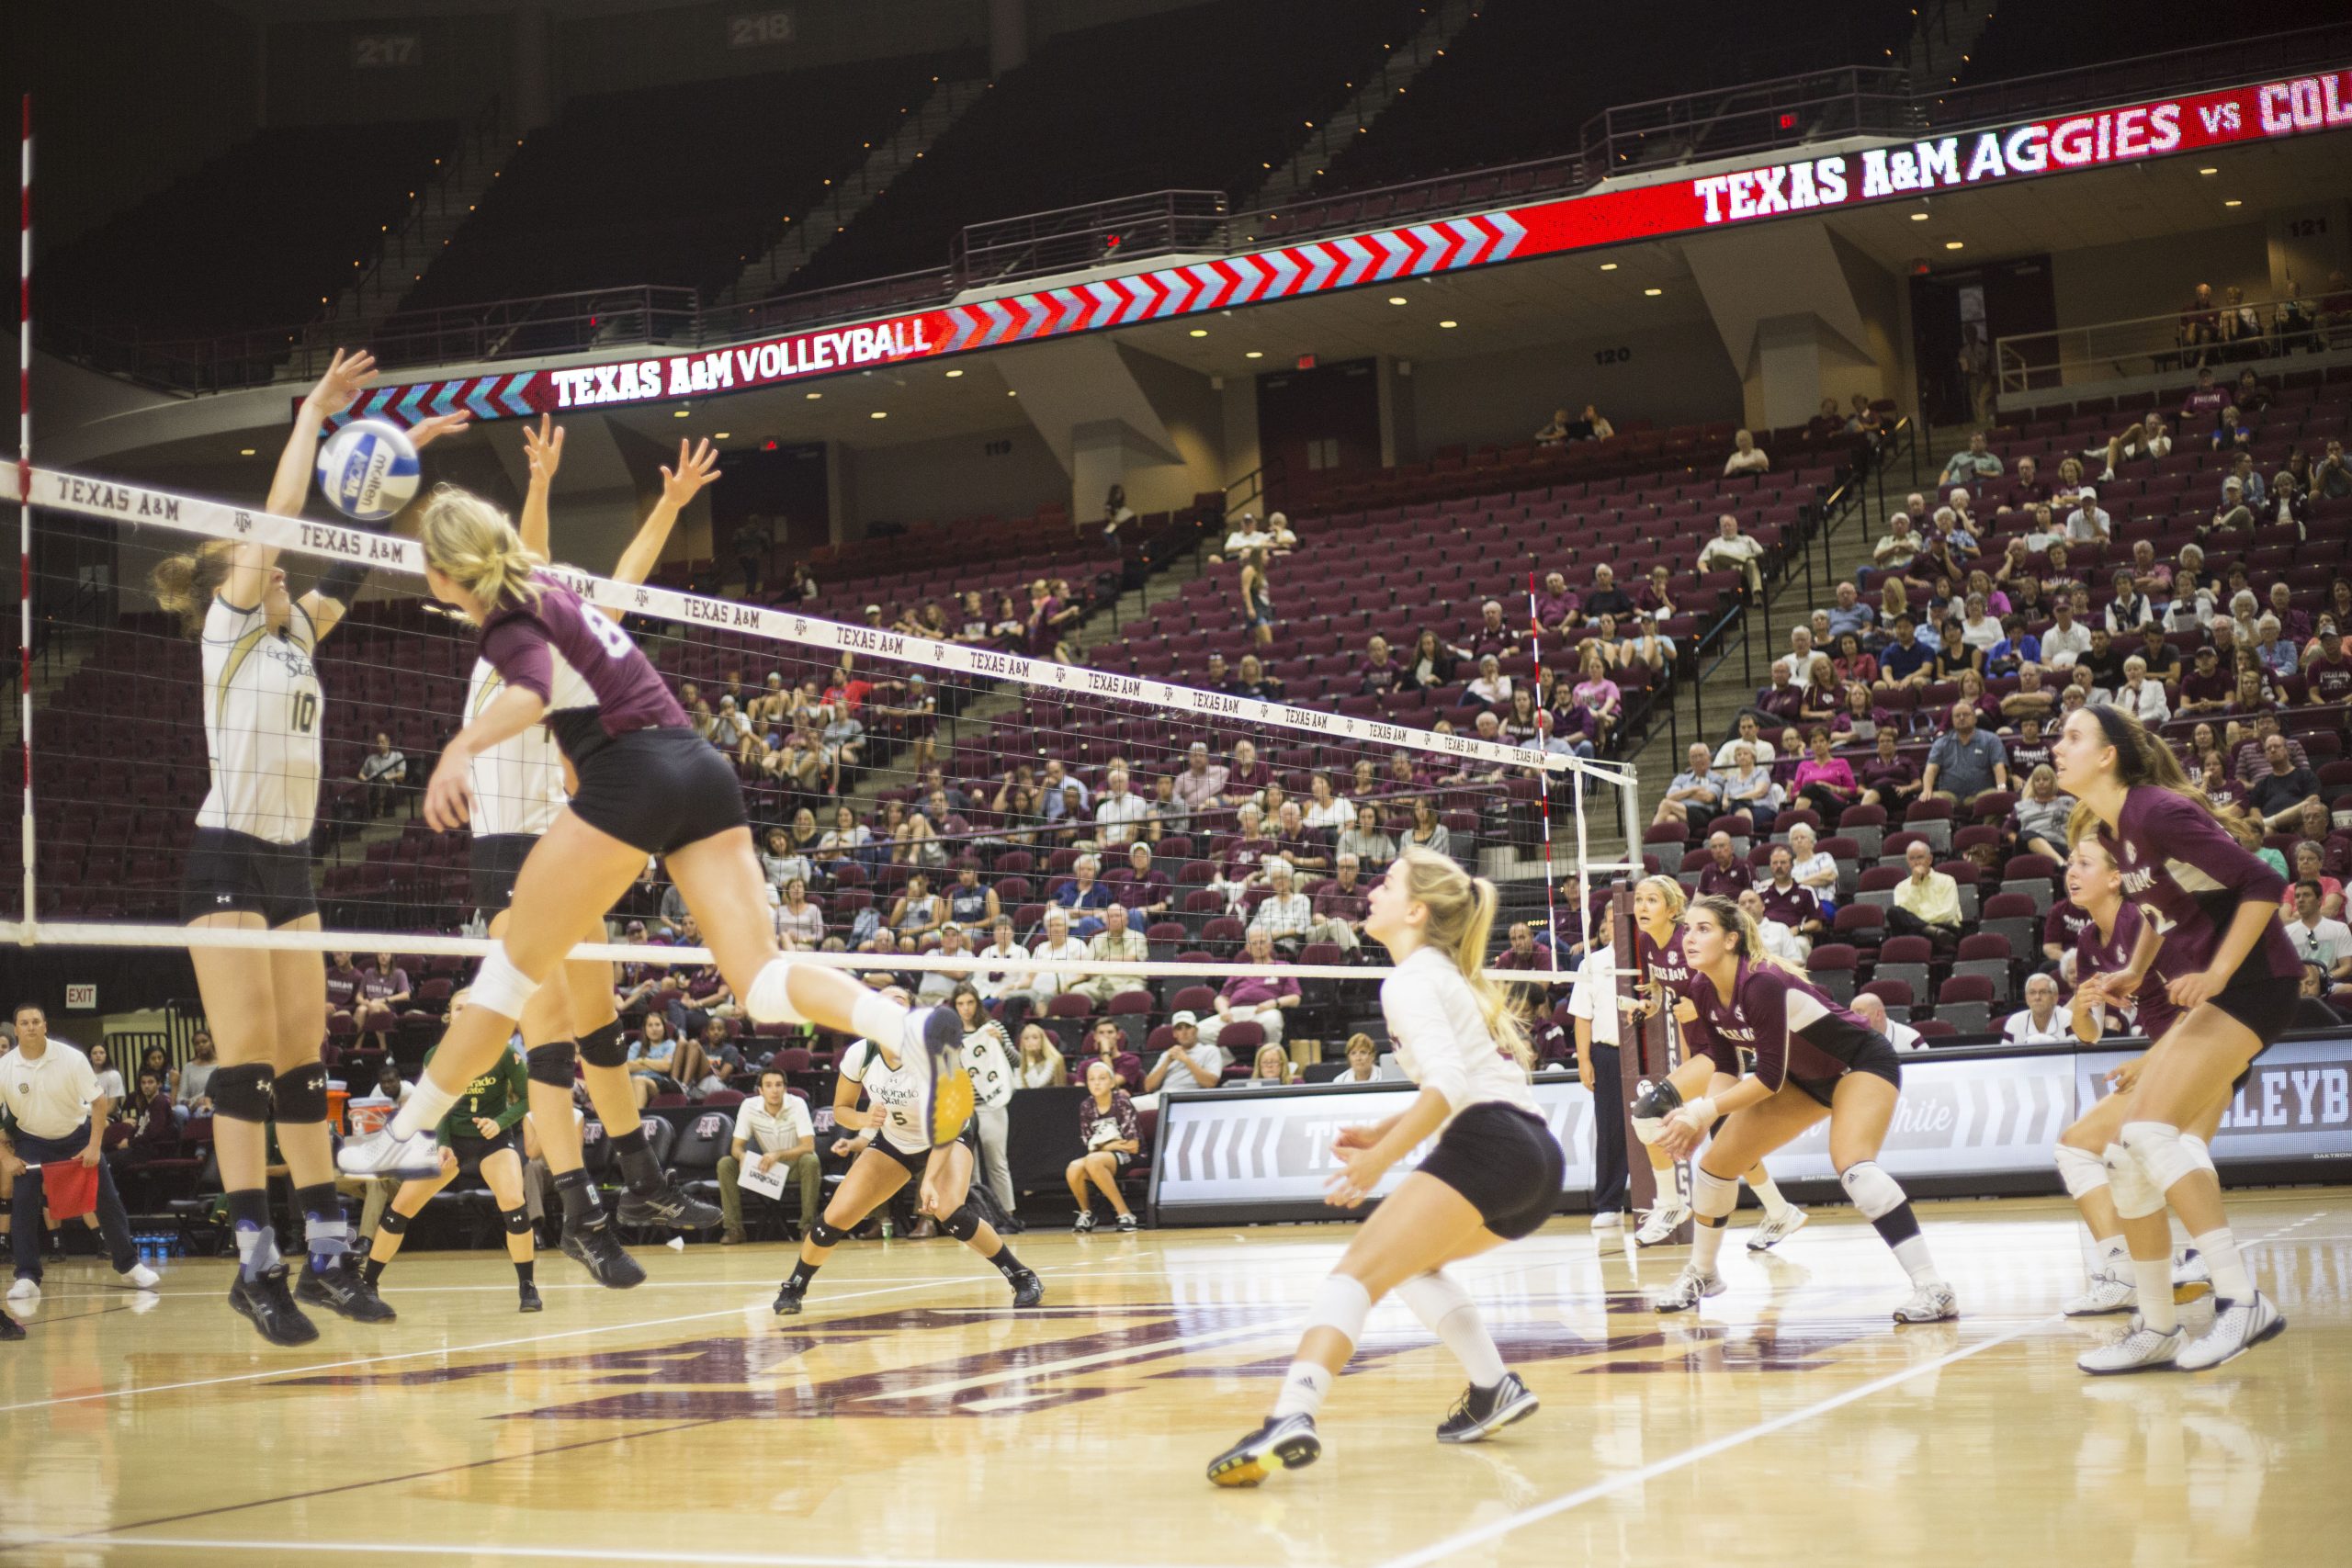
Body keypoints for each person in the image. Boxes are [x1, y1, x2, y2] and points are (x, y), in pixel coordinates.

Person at [336, 474, 978, 1302]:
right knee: (760, 978)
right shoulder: (557, 588)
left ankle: (403, 1136)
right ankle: (905, 1022)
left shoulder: (507, 622)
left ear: (445, 575)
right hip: (696, 764)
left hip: (626, 781)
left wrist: (459, 747)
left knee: (503, 988)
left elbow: (530, 692)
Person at [151, 350, 466, 1343]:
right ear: (234, 577)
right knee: (243, 1067)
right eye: (256, 556)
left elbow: (348, 561)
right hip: (226, 857)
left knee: (303, 1066)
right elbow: (286, 521)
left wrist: (394, 464)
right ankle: (255, 1267)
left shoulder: (300, 634)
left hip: (290, 865)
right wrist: (316, 422)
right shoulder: (234, 624)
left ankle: (328, 1255)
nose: (275, 562)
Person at [1207, 847, 1561, 1485]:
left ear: (1417, 910)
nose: (1372, 891)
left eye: (1388, 883)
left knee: (1355, 1274)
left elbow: (1450, 1085)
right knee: (1413, 1266)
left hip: (1492, 1142)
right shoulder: (1441, 975)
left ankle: (1292, 1414)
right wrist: (1383, 1128)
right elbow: (1465, 1083)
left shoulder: (1411, 979)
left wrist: (1378, 1159)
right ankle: (1493, 1385)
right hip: (1537, 1157)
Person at [456, 416, 724, 1259]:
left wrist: (672, 504)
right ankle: (579, 1212)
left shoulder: (568, 652)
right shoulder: (508, 646)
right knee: (548, 1034)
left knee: (601, 1023)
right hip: (509, 854)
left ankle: (643, 1187)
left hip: (565, 843)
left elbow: (626, 583)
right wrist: (536, 487)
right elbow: (527, 564)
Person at [2052, 705, 2296, 1370]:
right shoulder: (2120, 825)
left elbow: (2264, 880)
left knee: (2150, 1134)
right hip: (2232, 986)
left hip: (2256, 981)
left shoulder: (2156, 810)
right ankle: (2157, 1326)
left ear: (2108, 755)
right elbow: (2160, 900)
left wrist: (2215, 971)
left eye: (2073, 735)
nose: (2057, 745)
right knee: (2126, 1156)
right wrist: (2134, 967)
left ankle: (2241, 1299)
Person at [1646, 897, 1957, 1323]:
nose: (1689, 938)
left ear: (1732, 939)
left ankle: (1933, 1287)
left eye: (1703, 929)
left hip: (1859, 1064)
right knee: (1715, 1165)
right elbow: (1725, 1067)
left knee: (1854, 1169)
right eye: (1687, 929)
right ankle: (1703, 1273)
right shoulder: (1701, 988)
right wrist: (1705, 1120)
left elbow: (1768, 1079)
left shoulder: (1761, 982)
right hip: (1802, 1080)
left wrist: (1701, 1112)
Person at [771, 989, 1040, 1315]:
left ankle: (1022, 1276)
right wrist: (863, 1119)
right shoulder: (861, 1053)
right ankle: (795, 1286)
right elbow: (842, 1109)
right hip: (895, 1140)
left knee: (950, 1211)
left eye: (899, 1002)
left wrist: (930, 1179)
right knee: (834, 1219)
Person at [2052, 835, 2223, 1323]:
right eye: (2069, 863)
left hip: (2207, 1041)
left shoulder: (2142, 920)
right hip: (2167, 1053)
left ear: (2115, 879)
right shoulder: (2088, 939)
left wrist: (2149, 1066)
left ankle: (2207, 1264)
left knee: (2171, 1145)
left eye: (2084, 863)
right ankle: (2121, 1269)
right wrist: (2083, 1006)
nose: (2071, 871)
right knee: (2077, 1146)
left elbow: (2202, 1002)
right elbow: (2088, 1036)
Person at [1621, 876, 1805, 1250]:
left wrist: (1698, 1005)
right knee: (1725, 1137)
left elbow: (1710, 988)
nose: (1641, 907)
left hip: (1720, 1047)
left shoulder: (1688, 941)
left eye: (1651, 900)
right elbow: (1669, 990)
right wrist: (1651, 1005)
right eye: (1639, 899)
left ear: (1673, 910)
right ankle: (1779, 1210)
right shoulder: (1646, 943)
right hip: (1704, 1043)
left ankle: (1669, 1205)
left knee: (1648, 1112)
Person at [359, 1002, 540, 1314]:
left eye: (472, 1005)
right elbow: (436, 1105)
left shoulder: (502, 1051)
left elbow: (528, 1098)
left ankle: (527, 1286)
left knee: (513, 1200)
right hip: (449, 1140)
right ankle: (368, 1285)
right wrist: (443, 1143)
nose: (466, 1011)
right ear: (449, 1016)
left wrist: (501, 1121)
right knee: (401, 1207)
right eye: (459, 1007)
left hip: (492, 1139)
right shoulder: (436, 1056)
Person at [4, 1004, 163, 1304]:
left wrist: (93, 1146)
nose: (31, 1027)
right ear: (16, 1030)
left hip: (76, 1134)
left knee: (107, 1198)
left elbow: (99, 1103)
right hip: (31, 1140)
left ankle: (129, 1265)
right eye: (24, 1023)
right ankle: (26, 1276)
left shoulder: (71, 1058)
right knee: (23, 1201)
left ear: (45, 1025)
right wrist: (5, 1157)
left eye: (36, 1021)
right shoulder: (5, 1068)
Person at [1566, 940, 1629, 1232]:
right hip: (1608, 1054)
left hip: (1647, 1053)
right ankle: (1609, 1205)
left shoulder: (1652, 953)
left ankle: (1664, 1201)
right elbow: (1582, 1016)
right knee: (1611, 1130)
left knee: (1659, 1126)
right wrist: (1584, 1060)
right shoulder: (1592, 963)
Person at [719, 1066, 820, 1247]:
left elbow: (808, 1146)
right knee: (726, 1163)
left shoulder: (797, 1104)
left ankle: (807, 1226)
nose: (774, 1090)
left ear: (785, 1088)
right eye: (769, 1085)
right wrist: (742, 1157)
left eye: (778, 1085)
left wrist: (778, 1154)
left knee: (811, 1160)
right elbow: (736, 1147)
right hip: (767, 1169)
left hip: (794, 1166)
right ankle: (734, 1229)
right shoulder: (748, 1106)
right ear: (760, 1090)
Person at [947, 986, 1020, 1222]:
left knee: (997, 1161)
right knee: (967, 1163)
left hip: (991, 1102)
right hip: (962, 1105)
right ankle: (976, 1215)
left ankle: (1007, 1214)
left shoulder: (993, 1028)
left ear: (977, 1003)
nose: (966, 1009)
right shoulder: (948, 1032)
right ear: (954, 1005)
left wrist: (1001, 1044)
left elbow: (1016, 1060)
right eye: (961, 1004)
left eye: (970, 1002)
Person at [1067, 1059, 1143, 1233]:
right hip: (1102, 1156)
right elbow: (1089, 1145)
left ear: (1111, 1082)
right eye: (1092, 1079)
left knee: (1093, 1161)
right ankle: (1087, 1213)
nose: (1097, 1083)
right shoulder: (1086, 1106)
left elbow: (1132, 1145)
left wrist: (1103, 1147)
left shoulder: (1122, 1102)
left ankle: (1125, 1214)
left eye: (1101, 1078)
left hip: (1130, 1157)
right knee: (1074, 1167)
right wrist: (1110, 1146)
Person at [2004, 973, 2071, 1044]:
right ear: (2026, 998)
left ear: (2055, 997)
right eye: (2032, 992)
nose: (2037, 997)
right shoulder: (2015, 1022)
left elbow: (2075, 1052)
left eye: (2043, 992)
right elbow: (2003, 1054)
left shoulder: (2069, 1019)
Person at [358, 732, 408, 820]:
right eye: (378, 742)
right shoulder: (371, 758)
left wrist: (388, 776)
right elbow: (361, 774)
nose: (379, 745)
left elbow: (402, 774)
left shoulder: (397, 756)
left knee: (381, 779)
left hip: (389, 783)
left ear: (388, 742)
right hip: (371, 783)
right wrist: (366, 780)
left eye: (382, 742)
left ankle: (378, 810)